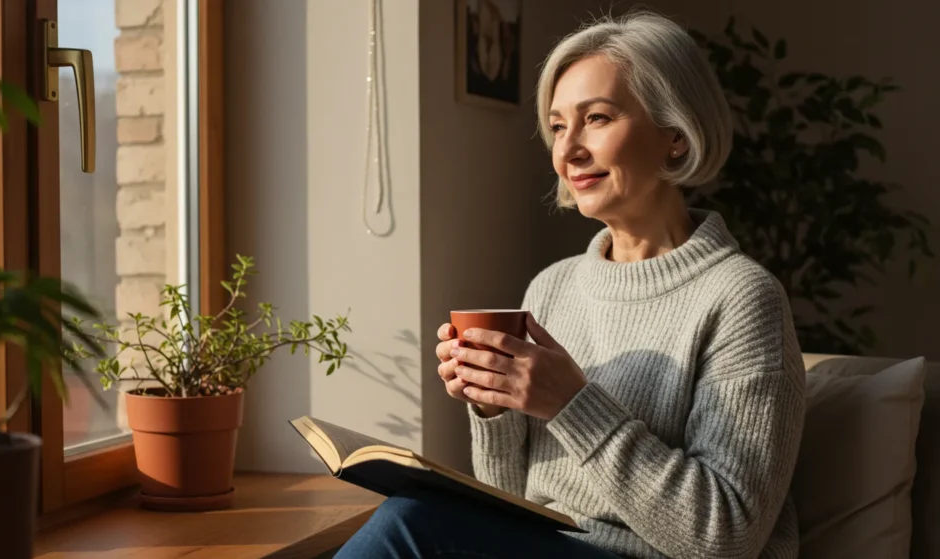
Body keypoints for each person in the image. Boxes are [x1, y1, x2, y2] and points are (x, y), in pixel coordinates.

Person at [336, 10, 805, 559]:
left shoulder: (742, 299)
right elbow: (512, 500)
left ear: (676, 136)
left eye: (597, 119)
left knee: (408, 525)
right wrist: (495, 408)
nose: (568, 150)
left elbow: (726, 537)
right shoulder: (552, 289)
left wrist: (571, 404)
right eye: (558, 126)